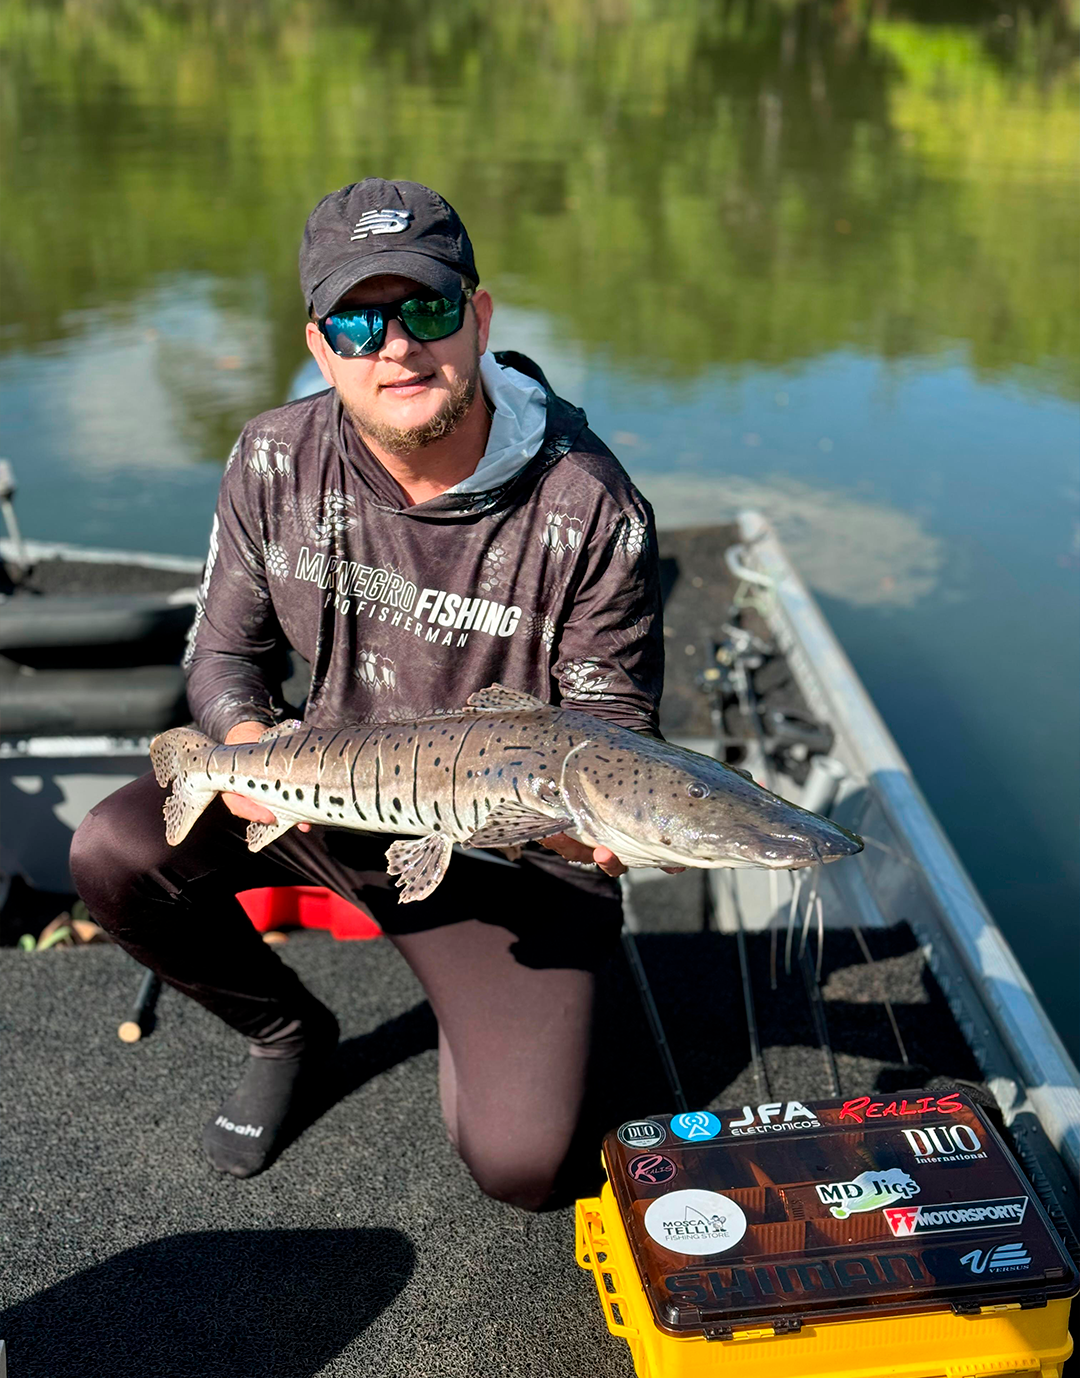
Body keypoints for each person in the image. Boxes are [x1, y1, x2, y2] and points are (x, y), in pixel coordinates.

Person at [70, 179, 664, 1207]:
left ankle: (492, 1026)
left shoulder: (591, 503)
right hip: (321, 790)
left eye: (426, 309)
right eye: (358, 319)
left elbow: (611, 725)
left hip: (507, 853)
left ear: (477, 318)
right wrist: (250, 743)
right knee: (111, 851)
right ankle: (286, 1028)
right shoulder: (271, 457)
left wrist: (586, 831)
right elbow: (221, 661)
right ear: (319, 343)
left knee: (527, 1166)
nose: (396, 345)